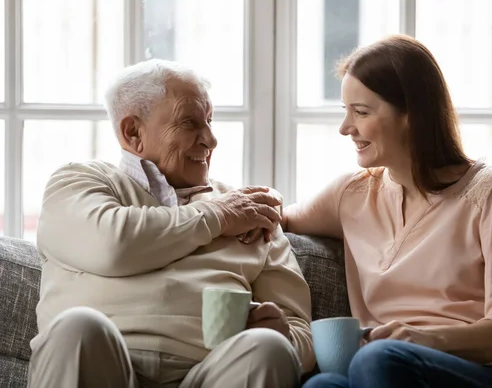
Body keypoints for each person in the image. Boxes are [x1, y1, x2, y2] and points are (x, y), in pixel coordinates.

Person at [28, 59, 315, 388]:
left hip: (214, 372)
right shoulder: (79, 182)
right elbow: (114, 246)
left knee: (270, 348)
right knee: (76, 328)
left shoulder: (249, 210)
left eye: (209, 121)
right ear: (133, 132)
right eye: (190, 123)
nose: (211, 139)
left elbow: (302, 335)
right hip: (101, 366)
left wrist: (286, 336)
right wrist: (219, 216)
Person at [284, 35, 492, 388]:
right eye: (345, 112)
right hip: (381, 371)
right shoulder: (352, 194)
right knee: (322, 386)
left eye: (360, 112)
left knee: (376, 359)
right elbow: (275, 214)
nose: (346, 128)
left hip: (487, 373)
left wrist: (425, 339)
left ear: (411, 115)